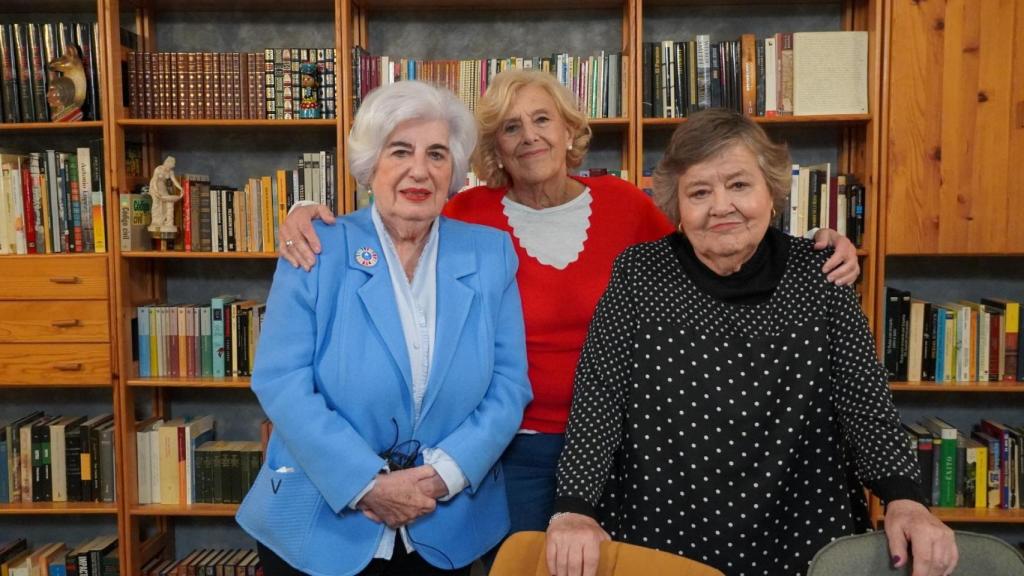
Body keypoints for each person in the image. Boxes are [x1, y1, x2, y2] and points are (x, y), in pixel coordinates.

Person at [278, 69, 862, 537]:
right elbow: (399, 216)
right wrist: (304, 211)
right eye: (510, 127)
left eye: (542, 119)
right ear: (493, 151)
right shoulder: (469, 215)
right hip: (512, 449)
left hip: (630, 441)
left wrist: (816, 244)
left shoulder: (627, 206)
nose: (529, 136)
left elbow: (714, 241)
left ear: (568, 130)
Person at [544, 108, 957, 576]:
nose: (721, 206)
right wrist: (574, 508)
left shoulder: (821, 274)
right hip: (661, 528)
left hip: (802, 526)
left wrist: (905, 498)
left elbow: (864, 401)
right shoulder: (640, 274)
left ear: (772, 192)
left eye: (739, 185)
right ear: (677, 206)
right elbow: (599, 398)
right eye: (699, 192)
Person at [235, 80, 533, 576]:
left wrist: (444, 475)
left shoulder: (489, 254)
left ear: (455, 173)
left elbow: (508, 384)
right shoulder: (317, 247)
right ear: (371, 165)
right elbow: (281, 380)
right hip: (321, 521)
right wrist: (365, 482)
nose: (420, 169)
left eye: (437, 154)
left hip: (445, 518)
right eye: (401, 151)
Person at [147, 156, 183, 234]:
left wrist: (181, 188)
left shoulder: (171, 172)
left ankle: (163, 221)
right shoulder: (158, 169)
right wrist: (156, 191)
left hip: (162, 187)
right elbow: (154, 180)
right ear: (168, 163)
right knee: (156, 203)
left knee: (165, 203)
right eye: (173, 164)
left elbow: (174, 181)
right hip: (155, 186)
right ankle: (155, 221)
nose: (174, 166)